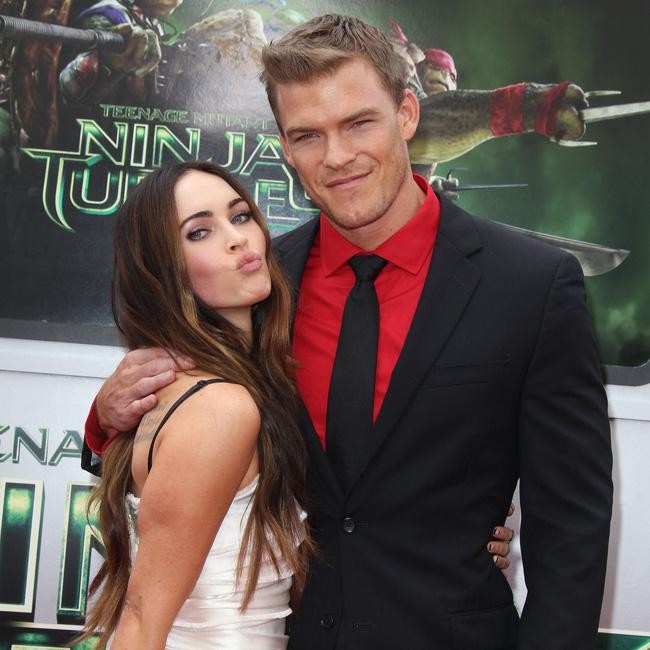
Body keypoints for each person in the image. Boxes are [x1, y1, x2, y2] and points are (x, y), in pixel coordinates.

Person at [84, 14, 612, 649]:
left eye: (359, 123)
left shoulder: (531, 284)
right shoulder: (255, 286)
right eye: (308, 135)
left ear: (407, 114)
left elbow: (571, 529)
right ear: (285, 147)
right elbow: (187, 458)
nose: (336, 157)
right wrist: (106, 421)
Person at [80, 160, 312, 649]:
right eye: (200, 231)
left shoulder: (217, 389)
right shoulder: (220, 407)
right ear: (164, 271)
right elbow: (141, 621)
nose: (237, 239)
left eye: (240, 216)